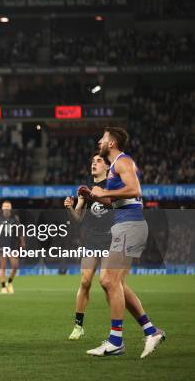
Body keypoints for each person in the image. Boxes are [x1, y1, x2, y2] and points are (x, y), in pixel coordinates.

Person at [80, 127, 165, 358]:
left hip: (130, 225)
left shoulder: (122, 161)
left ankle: (116, 341)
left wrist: (103, 194)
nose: (99, 140)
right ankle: (151, 330)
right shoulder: (114, 169)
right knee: (117, 284)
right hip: (125, 224)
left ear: (111, 143)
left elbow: (135, 190)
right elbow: (117, 201)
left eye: (103, 138)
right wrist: (94, 196)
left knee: (108, 279)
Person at [63, 154, 112, 340]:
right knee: (85, 281)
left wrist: (92, 195)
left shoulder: (112, 185)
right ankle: (78, 326)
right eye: (92, 160)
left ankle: (114, 328)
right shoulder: (85, 189)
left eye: (99, 161)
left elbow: (113, 203)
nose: (94, 162)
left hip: (110, 240)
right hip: (92, 241)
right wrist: (70, 207)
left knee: (109, 284)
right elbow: (77, 220)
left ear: (107, 167)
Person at [0, 201, 25, 294]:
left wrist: (22, 241)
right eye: (4, 206)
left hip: (13, 245)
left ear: (10, 208)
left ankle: (9, 282)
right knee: (3, 266)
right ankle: (3, 287)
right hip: (2, 244)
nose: (6, 208)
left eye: (8, 206)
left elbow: (20, 230)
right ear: (2, 208)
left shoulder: (15, 218)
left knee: (15, 266)